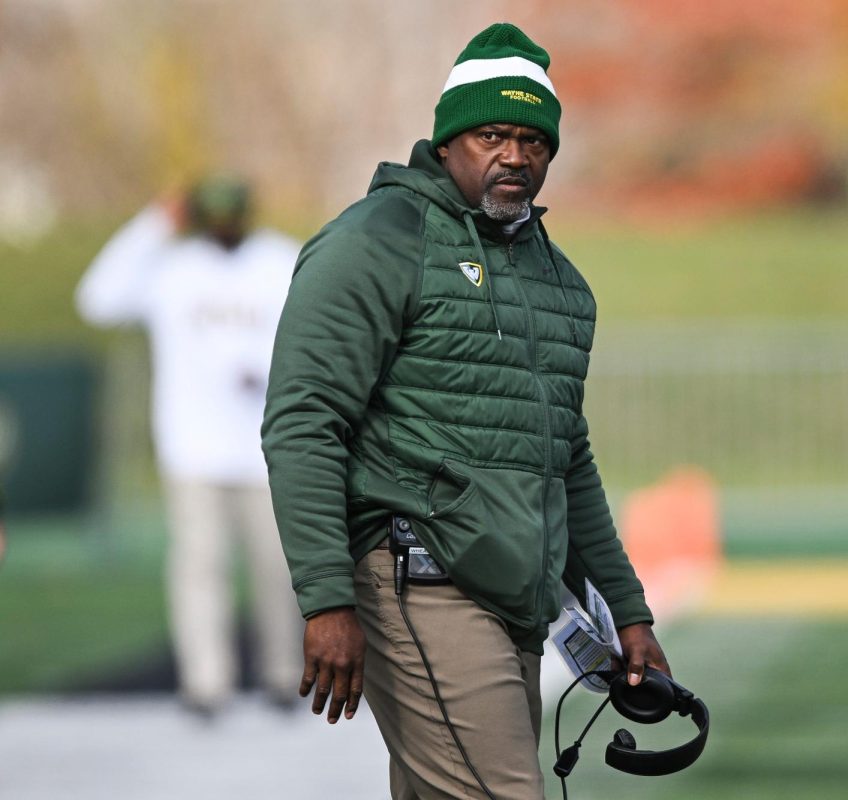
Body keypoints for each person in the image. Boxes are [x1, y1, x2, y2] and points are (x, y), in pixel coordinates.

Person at [261, 22, 670, 799]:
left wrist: (626, 609)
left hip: (514, 597)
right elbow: (305, 420)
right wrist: (325, 597)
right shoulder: (376, 241)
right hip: (418, 578)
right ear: (448, 142)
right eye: (491, 134)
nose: (514, 155)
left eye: (533, 140)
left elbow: (563, 456)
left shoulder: (559, 281)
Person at [76, 177, 302, 716]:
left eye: (232, 214)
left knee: (281, 567)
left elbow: (322, 332)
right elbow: (96, 300)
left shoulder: (281, 261)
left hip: (267, 446)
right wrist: (154, 223)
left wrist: (270, 374)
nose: (223, 225)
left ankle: (285, 676)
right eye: (213, 215)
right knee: (200, 567)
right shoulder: (171, 269)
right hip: (193, 449)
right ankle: (207, 684)